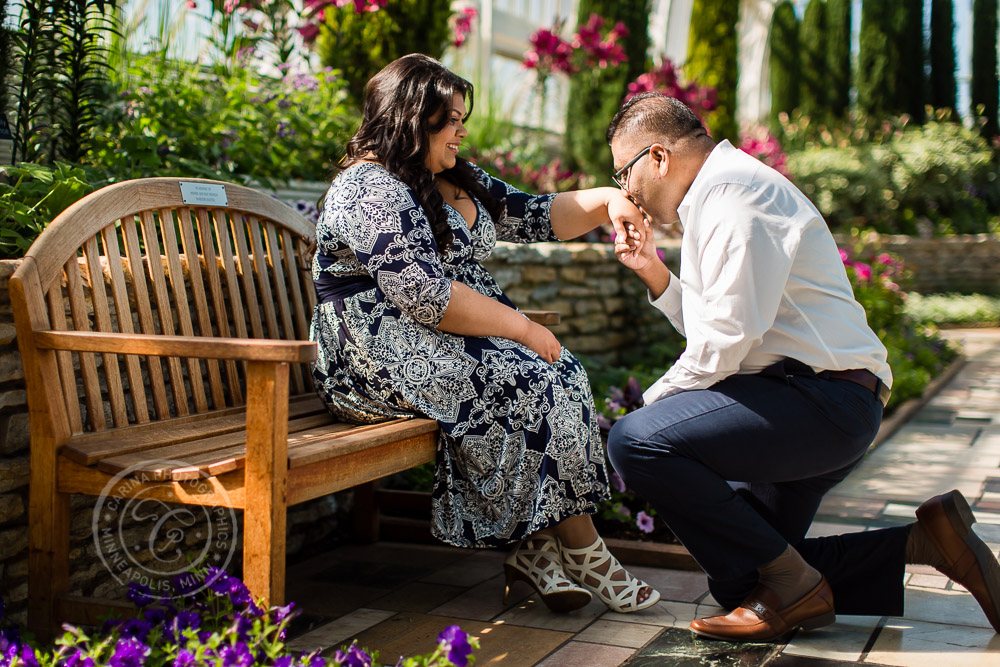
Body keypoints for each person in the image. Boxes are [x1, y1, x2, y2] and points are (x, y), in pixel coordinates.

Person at [603, 92, 1000, 641]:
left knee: (636, 441)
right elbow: (719, 324)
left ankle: (795, 583)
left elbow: (725, 340)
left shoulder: (734, 197)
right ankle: (926, 542)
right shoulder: (720, 195)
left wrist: (638, 414)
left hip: (821, 402)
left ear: (658, 157)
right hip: (813, 399)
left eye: (625, 173)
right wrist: (653, 271)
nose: (627, 192)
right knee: (746, 582)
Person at [308, 54, 659, 614]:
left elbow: (537, 213)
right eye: (449, 120)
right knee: (523, 380)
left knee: (559, 372)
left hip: (433, 342)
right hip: (372, 356)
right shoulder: (367, 188)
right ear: (410, 120)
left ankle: (537, 548)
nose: (461, 130)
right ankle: (586, 551)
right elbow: (422, 293)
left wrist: (608, 199)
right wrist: (519, 327)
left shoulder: (446, 175)